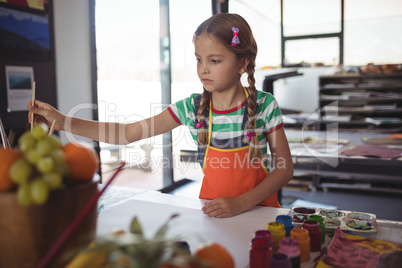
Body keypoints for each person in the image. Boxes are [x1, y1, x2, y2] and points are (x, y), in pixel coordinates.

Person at [28, 13, 293, 218]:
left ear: (242, 64)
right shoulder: (191, 107)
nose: (203, 69)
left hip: (261, 213)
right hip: (214, 212)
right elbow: (128, 133)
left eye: (214, 60)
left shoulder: (264, 105)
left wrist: (242, 202)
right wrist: (63, 121)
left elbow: (284, 168)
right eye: (198, 59)